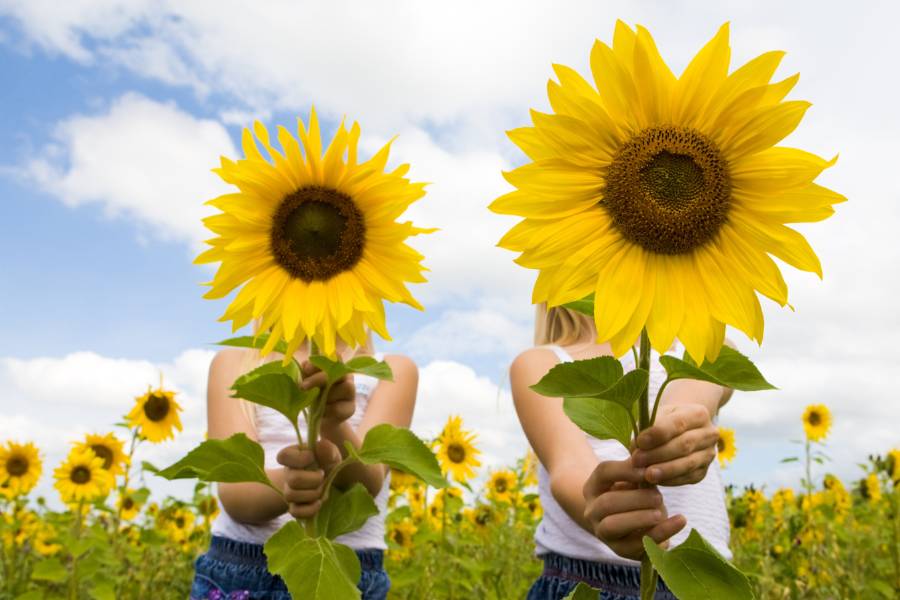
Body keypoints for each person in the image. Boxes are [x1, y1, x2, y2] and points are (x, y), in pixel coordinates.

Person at [511, 305, 733, 600]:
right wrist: (602, 507)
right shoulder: (541, 363)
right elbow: (568, 466)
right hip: (584, 578)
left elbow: (695, 390)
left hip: (697, 585)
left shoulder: (701, 344)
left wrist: (677, 422)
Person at [189, 331, 419, 600]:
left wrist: (331, 421)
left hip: (347, 576)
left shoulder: (391, 371)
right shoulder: (234, 363)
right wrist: (289, 484)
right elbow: (235, 490)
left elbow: (367, 484)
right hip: (242, 569)